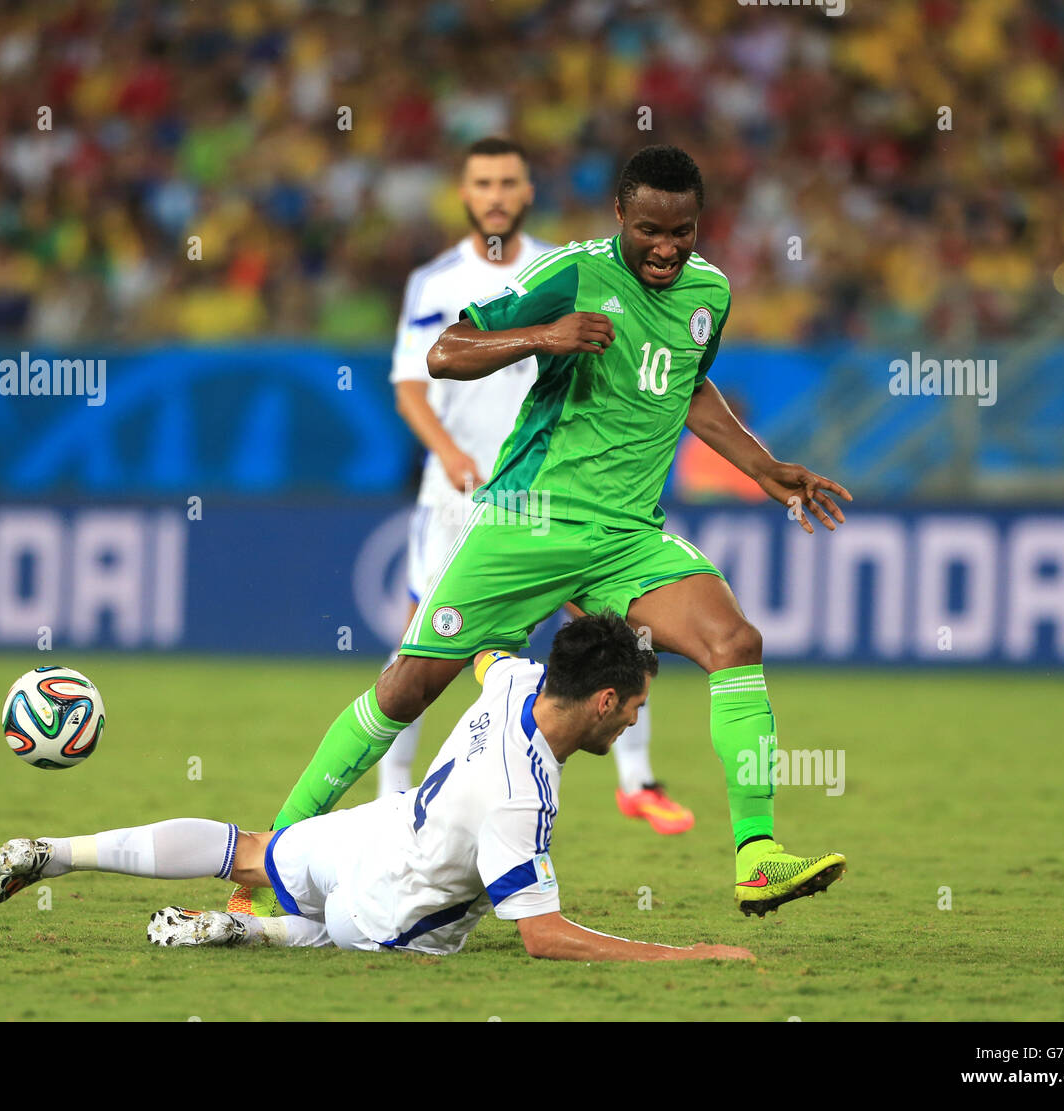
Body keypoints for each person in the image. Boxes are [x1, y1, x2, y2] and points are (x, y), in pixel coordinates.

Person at [268, 144, 851, 917]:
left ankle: (757, 855)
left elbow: (687, 382)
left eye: (682, 230)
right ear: (620, 216)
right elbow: (446, 352)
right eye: (650, 229)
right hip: (526, 524)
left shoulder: (709, 291)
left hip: (625, 538)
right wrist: (542, 337)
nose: (667, 248)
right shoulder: (570, 275)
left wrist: (762, 464)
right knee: (405, 690)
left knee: (735, 643)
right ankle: (271, 852)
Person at [0, 614, 754, 961]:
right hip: (387, 906)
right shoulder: (526, 799)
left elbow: (480, 653)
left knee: (248, 850)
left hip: (372, 829)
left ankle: (55, 850)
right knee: (342, 935)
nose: (631, 729)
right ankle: (251, 933)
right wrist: (686, 953)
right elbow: (544, 938)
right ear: (605, 700)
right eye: (635, 710)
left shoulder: (521, 677)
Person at [381, 135, 693, 833]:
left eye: (508, 182)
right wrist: (451, 452)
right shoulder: (434, 282)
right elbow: (411, 381)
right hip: (459, 494)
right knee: (419, 652)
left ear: (527, 193)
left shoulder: (571, 270)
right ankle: (391, 790)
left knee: (621, 634)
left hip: (557, 490)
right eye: (482, 182)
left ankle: (637, 779)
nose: (495, 194)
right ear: (465, 195)